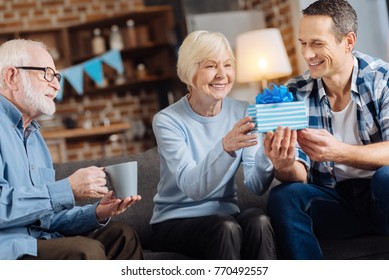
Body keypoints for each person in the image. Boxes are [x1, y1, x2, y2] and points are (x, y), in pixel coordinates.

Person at [264, 0, 389, 259]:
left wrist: (338, 151)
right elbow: (297, 176)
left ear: (349, 41)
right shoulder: (293, 92)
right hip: (335, 202)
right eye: (303, 43)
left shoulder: (382, 80)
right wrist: (284, 164)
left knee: (386, 177)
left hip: (382, 199)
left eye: (317, 44)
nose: (307, 54)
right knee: (284, 196)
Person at [0, 39, 144, 260]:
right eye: (47, 73)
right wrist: (67, 189)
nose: (57, 85)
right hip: (10, 249)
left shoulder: (35, 137)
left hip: (41, 239)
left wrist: (97, 212)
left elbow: (46, 218)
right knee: (85, 252)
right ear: (11, 77)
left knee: (123, 236)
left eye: (57, 76)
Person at [149, 30, 276, 260]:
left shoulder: (243, 111)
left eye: (227, 65)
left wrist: (268, 155)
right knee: (225, 227)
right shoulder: (167, 121)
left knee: (259, 220)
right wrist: (225, 147)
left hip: (225, 216)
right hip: (175, 221)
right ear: (189, 72)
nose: (222, 75)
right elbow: (192, 188)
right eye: (210, 66)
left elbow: (256, 184)